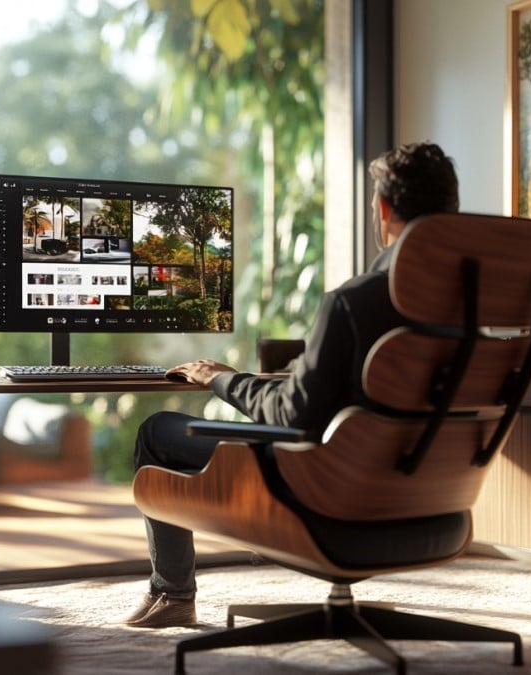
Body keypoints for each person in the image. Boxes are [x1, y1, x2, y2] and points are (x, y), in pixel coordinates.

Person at [123, 141, 460, 629]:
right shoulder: (477, 308)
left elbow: (291, 415)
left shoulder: (355, 301)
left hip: (326, 496)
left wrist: (223, 378)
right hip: (431, 503)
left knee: (157, 432)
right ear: (451, 211)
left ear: (383, 210)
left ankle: (173, 594)